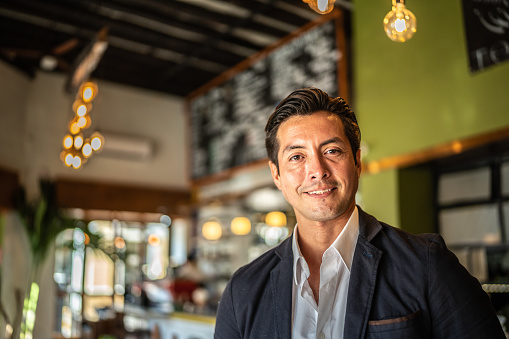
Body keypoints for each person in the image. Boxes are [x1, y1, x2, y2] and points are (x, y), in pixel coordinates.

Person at [214, 87, 505, 338]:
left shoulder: (428, 265)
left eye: (332, 151)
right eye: (296, 157)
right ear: (276, 175)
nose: (317, 171)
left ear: (357, 162)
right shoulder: (243, 289)